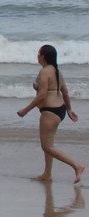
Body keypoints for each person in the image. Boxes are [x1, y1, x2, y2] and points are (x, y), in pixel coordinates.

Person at [18, 44, 84, 183]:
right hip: (59, 110)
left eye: (38, 53)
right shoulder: (56, 71)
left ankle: (76, 166)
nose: (37, 55)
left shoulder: (45, 72)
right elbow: (64, 91)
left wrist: (25, 110)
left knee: (47, 146)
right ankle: (47, 174)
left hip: (50, 111)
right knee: (49, 144)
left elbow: (42, 96)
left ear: (43, 56)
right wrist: (69, 109)